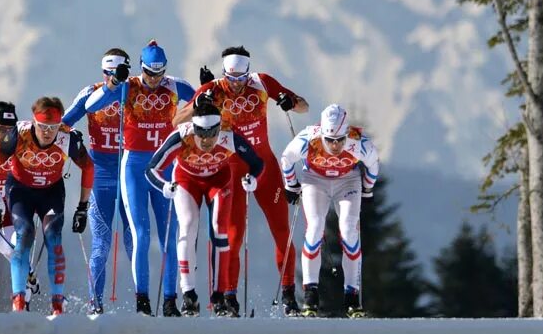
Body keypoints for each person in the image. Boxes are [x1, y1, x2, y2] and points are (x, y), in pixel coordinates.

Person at [174, 46, 308, 315]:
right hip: (233, 168)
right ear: (224, 74)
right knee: (233, 236)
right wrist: (198, 105)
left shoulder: (261, 82)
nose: (236, 86)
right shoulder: (213, 88)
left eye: (241, 80)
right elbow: (176, 120)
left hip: (265, 166)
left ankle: (289, 294)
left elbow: (304, 107)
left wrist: (289, 101)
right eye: (231, 80)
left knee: (282, 231)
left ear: (249, 73)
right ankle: (229, 296)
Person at [82, 40, 195, 316]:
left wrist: (201, 97)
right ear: (141, 68)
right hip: (133, 167)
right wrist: (111, 86)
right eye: (149, 73)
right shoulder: (129, 85)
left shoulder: (174, 85)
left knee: (170, 236)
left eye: (159, 74)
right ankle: (142, 301)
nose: (154, 80)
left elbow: (206, 102)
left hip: (165, 166)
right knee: (141, 235)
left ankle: (170, 301)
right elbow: (89, 105)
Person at [146, 97, 264, 317]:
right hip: (186, 180)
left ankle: (219, 298)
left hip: (219, 181)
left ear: (220, 128)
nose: (207, 140)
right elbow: (151, 168)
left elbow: (257, 163)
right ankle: (188, 294)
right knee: (188, 226)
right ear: (194, 127)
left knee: (220, 231)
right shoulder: (182, 137)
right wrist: (164, 186)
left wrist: (252, 178)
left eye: (212, 133)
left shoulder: (229, 137)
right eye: (201, 133)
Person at [0, 96, 93, 315]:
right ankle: (19, 301)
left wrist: (82, 207)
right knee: (24, 236)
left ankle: (57, 304)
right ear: (34, 122)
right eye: (42, 126)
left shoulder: (66, 138)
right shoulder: (18, 134)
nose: (47, 132)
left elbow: (89, 168)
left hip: (51, 191)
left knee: (53, 239)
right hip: (21, 190)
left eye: (52, 127)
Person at [280, 104, 379, 318]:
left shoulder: (357, 142)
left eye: (340, 140)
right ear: (322, 133)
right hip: (315, 180)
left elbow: (373, 163)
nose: (335, 146)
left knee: (349, 231)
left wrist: (368, 189)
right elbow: (286, 158)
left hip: (347, 180)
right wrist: (291, 185)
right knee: (315, 228)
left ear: (346, 134)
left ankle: (352, 297)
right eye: (330, 140)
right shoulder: (309, 138)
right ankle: (310, 295)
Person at [62, 48, 134, 314]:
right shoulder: (91, 92)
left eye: (115, 73)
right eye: (106, 72)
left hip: (129, 173)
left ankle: (144, 302)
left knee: (133, 241)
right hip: (101, 173)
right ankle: (95, 304)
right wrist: (73, 141)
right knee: (101, 244)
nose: (110, 78)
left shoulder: (135, 91)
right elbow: (62, 123)